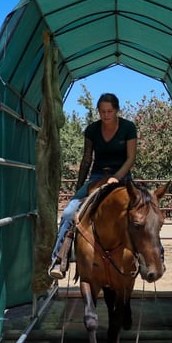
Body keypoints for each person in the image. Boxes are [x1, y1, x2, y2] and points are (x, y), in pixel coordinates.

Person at [48, 92, 137, 279]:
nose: (106, 115)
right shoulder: (92, 130)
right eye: (102, 111)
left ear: (117, 110)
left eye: (110, 111)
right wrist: (79, 187)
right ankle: (59, 259)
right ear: (98, 111)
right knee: (68, 213)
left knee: (143, 211)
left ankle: (149, 258)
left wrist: (117, 177)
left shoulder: (128, 128)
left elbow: (131, 158)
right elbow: (87, 159)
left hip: (122, 176)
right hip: (97, 176)